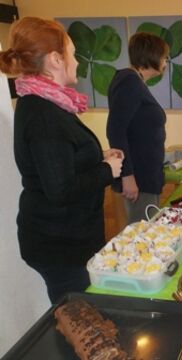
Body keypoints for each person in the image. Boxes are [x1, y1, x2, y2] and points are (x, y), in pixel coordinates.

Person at [0, 17, 123, 303]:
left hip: (66, 238)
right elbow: (60, 190)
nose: (77, 62)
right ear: (56, 59)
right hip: (61, 245)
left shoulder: (46, 104)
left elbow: (59, 162)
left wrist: (96, 157)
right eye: (72, 53)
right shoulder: (44, 114)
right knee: (79, 322)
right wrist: (107, 170)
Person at [107, 32, 169, 224]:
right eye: (164, 57)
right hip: (139, 178)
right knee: (142, 234)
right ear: (151, 56)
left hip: (145, 174)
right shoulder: (129, 82)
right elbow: (115, 130)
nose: (165, 62)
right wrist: (128, 176)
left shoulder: (133, 81)